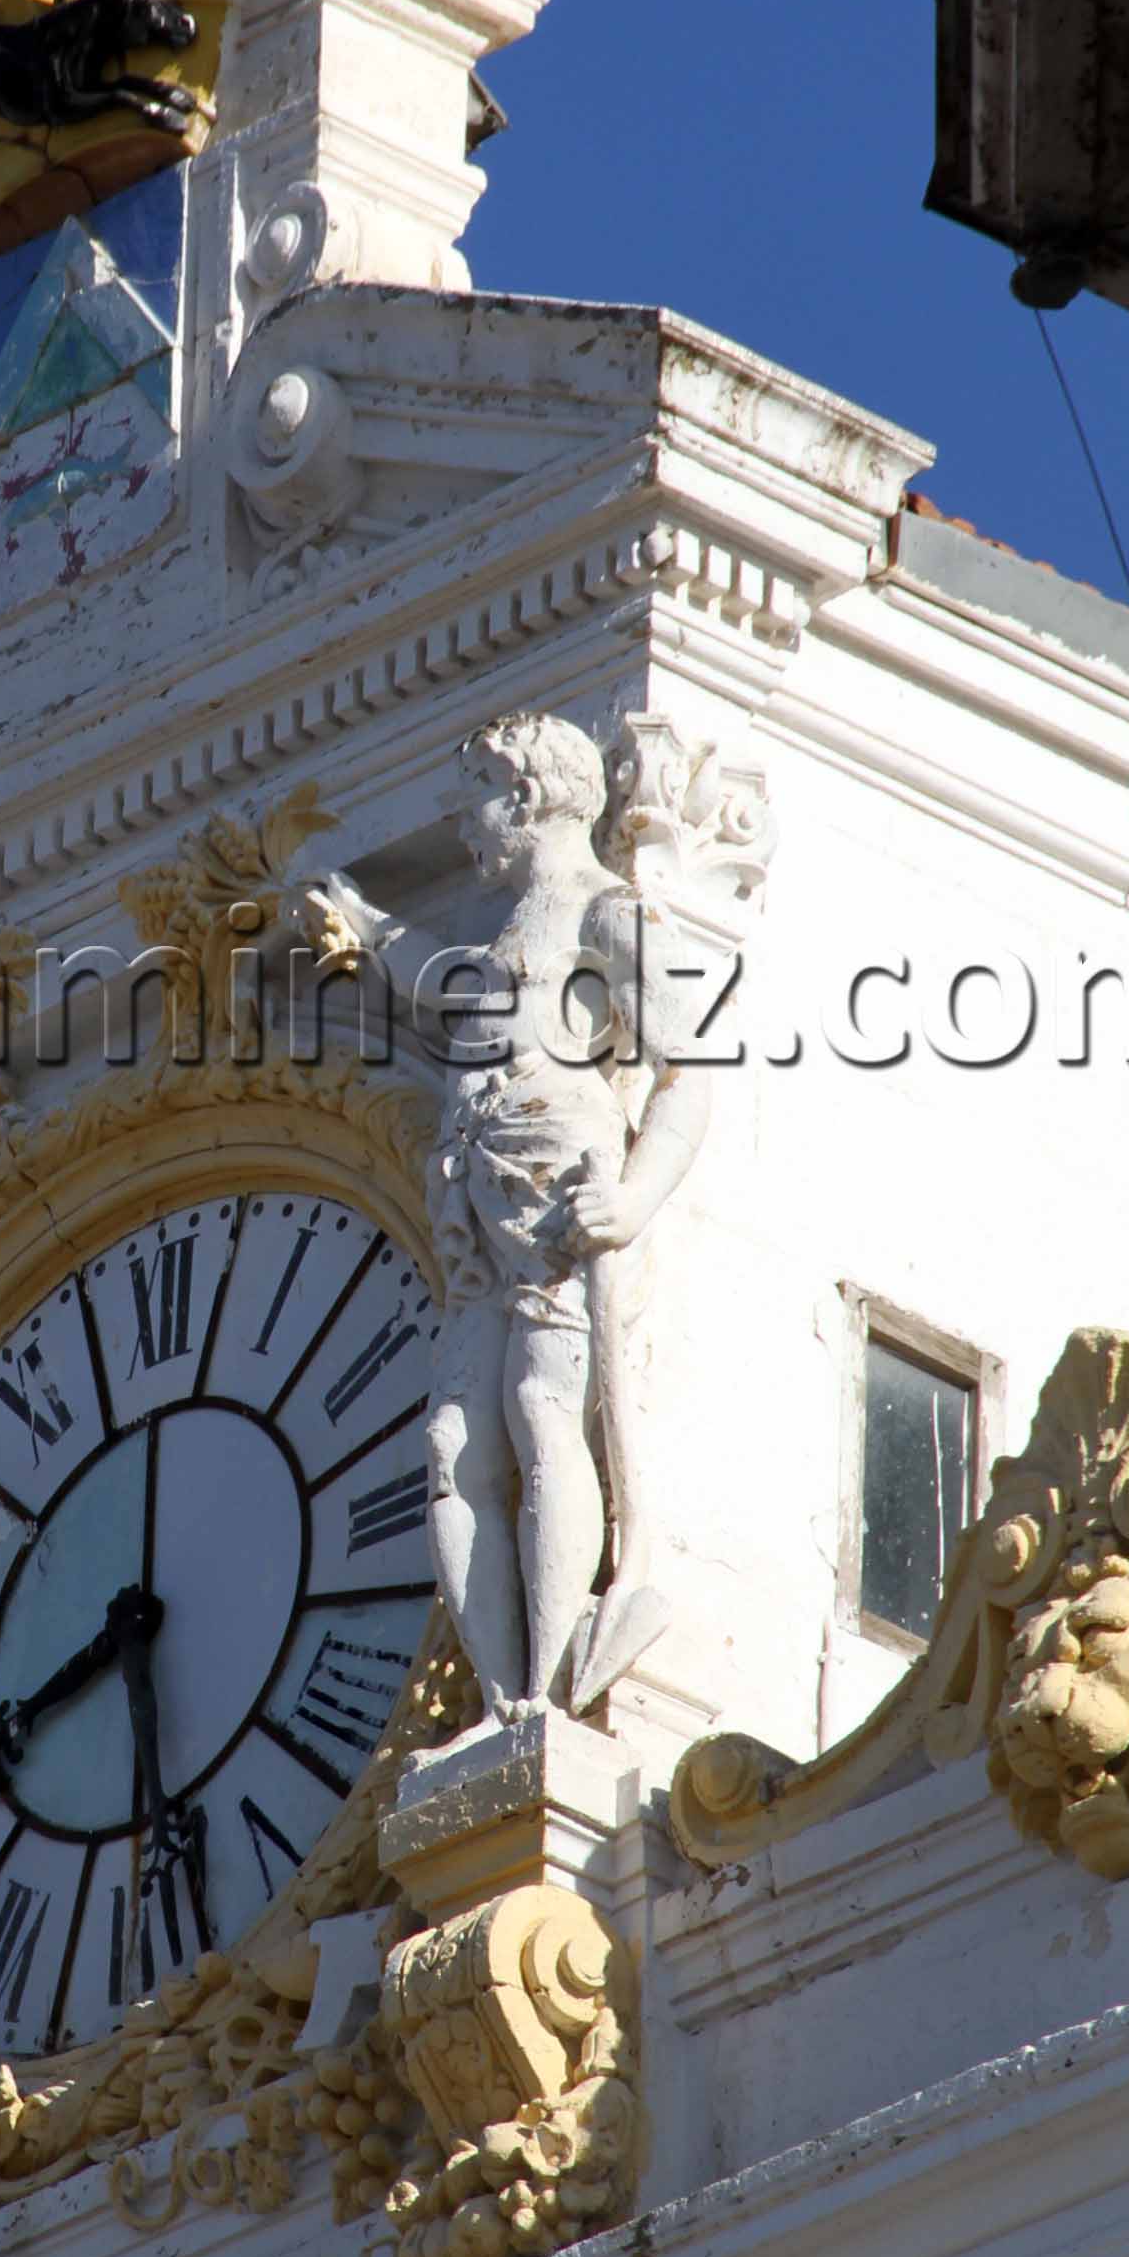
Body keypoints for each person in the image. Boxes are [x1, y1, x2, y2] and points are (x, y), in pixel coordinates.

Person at [288, 714, 715, 1718]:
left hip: (554, 1195)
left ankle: (548, 1686)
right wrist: (360, 922)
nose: (462, 823)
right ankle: (500, 1699)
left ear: (526, 799)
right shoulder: (508, 935)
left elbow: (689, 1069)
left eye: (475, 794)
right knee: (452, 1442)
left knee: (539, 1412)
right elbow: (441, 982)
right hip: (473, 1194)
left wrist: (633, 1199)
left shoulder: (608, 915)